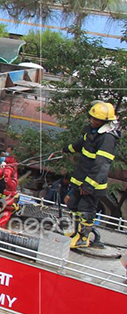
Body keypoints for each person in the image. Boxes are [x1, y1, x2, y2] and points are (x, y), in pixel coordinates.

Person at [65, 101, 120, 249]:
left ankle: (83, 238)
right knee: (74, 205)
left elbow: (101, 165)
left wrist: (88, 186)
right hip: (81, 179)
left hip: (92, 184)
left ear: (105, 122)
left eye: (97, 120)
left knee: (86, 210)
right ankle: (76, 233)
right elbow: (81, 144)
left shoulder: (107, 138)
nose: (93, 121)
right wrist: (67, 149)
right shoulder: (92, 132)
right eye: (92, 118)